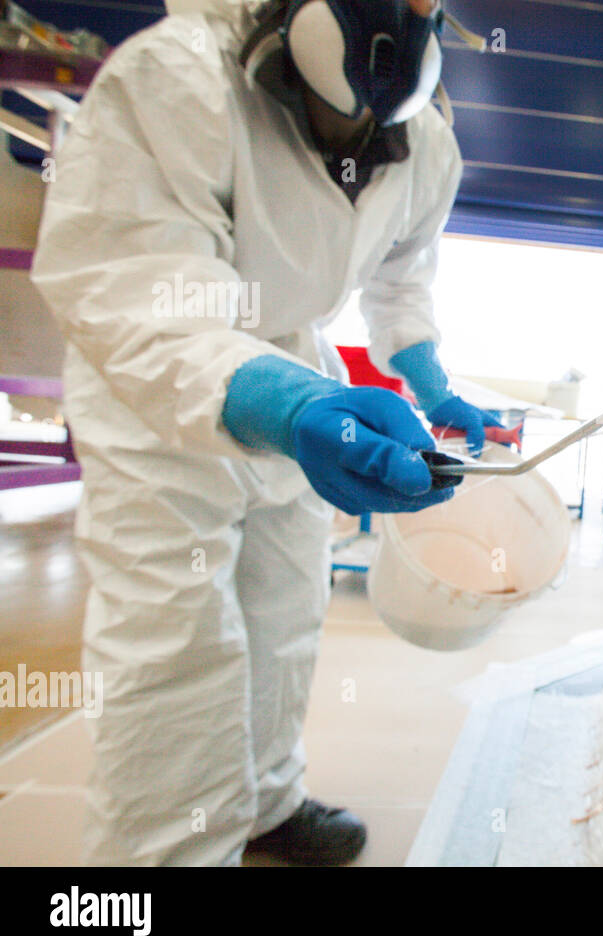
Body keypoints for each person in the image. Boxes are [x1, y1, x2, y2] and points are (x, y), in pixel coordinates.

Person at [31, 0, 498, 865]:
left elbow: (402, 277)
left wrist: (430, 380)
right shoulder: (177, 79)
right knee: (176, 638)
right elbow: (134, 284)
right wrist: (285, 407)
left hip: (290, 353)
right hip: (159, 381)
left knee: (285, 605)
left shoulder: (424, 144)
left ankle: (263, 805)